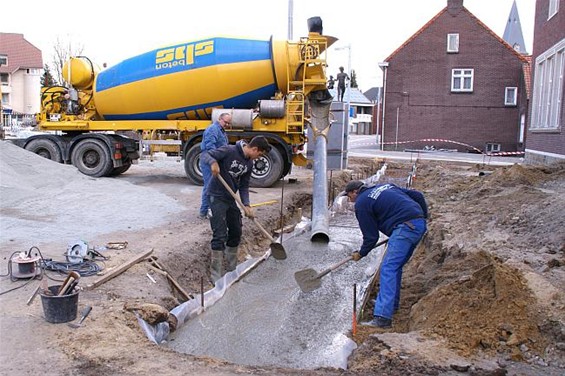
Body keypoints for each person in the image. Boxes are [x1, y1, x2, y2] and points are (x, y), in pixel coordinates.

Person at [345, 180, 428, 328]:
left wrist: (361, 253)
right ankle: (391, 305)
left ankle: (383, 317)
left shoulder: (362, 203)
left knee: (388, 268)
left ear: (354, 192)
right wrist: (423, 217)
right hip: (417, 224)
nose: (350, 200)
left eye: (349, 196)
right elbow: (417, 195)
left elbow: (371, 237)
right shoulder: (385, 186)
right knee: (395, 267)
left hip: (404, 228)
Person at [200, 136, 272, 283]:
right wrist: (213, 162)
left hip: (230, 198)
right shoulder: (229, 150)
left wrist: (247, 205)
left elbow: (244, 186)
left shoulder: (249, 164)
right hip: (216, 196)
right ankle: (216, 276)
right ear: (254, 149)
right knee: (219, 234)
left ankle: (231, 270)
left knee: (236, 231)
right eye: (260, 154)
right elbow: (204, 154)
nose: (259, 158)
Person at [198, 113, 231, 219]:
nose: (226, 124)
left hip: (216, 160)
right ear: (219, 119)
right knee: (209, 185)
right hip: (209, 160)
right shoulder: (213, 129)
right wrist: (214, 161)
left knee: (215, 186)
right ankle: (204, 211)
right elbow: (210, 148)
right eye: (225, 122)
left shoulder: (221, 131)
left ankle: (211, 209)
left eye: (228, 123)